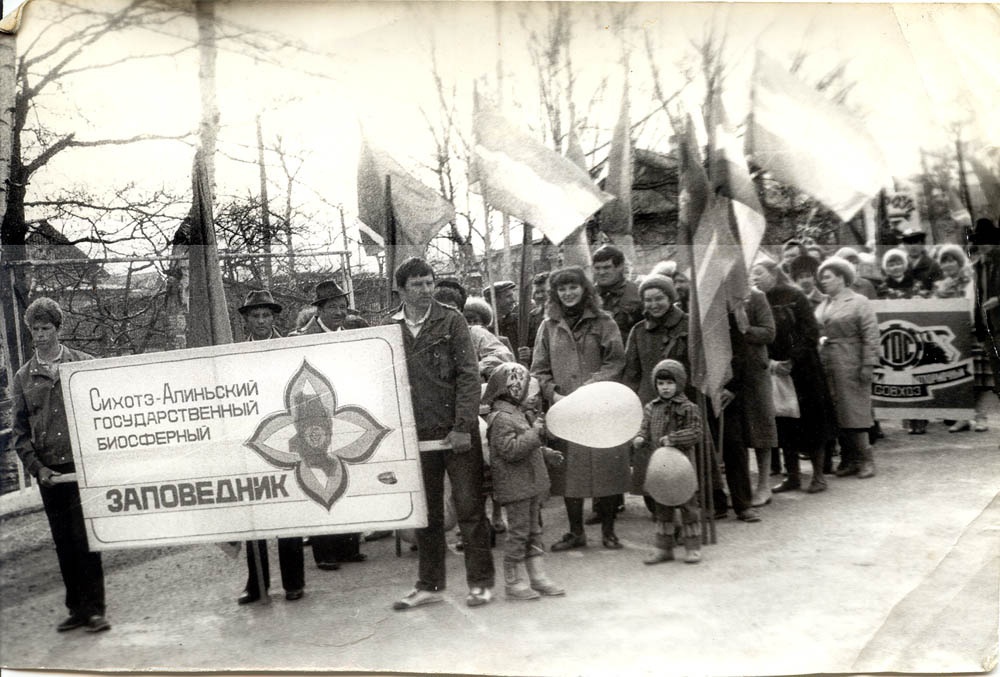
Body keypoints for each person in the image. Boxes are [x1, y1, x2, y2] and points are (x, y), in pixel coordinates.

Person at [390, 258, 496, 610]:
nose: (425, 290)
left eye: (429, 282)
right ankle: (429, 585)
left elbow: (469, 376)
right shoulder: (389, 330)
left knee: (469, 509)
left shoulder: (452, 320)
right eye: (417, 284)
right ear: (401, 289)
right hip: (414, 436)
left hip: (454, 434)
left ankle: (480, 583)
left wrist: (464, 426)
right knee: (426, 514)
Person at [12, 297, 110, 633]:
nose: (39, 335)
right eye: (34, 329)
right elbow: (20, 432)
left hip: (83, 469)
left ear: (58, 329)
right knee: (64, 543)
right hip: (51, 473)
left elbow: (105, 414)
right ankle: (77, 609)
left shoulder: (83, 365)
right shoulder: (24, 377)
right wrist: (38, 469)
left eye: (46, 328)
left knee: (86, 539)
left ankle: (96, 609)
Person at [530, 266, 629, 550]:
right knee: (569, 474)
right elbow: (539, 369)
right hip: (566, 411)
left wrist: (592, 386)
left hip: (601, 408)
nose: (568, 293)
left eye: (573, 287)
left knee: (606, 469)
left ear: (585, 289)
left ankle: (609, 531)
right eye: (562, 289)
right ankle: (576, 533)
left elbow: (616, 361)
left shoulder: (603, 321)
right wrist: (554, 394)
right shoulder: (548, 326)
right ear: (555, 294)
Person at [234, 290, 306, 604]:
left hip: (286, 434)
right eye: (255, 316)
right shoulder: (235, 354)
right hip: (251, 438)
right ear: (246, 320)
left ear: (274, 318)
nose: (262, 321)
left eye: (266, 315)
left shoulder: (289, 347)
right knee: (255, 513)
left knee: (288, 510)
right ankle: (257, 583)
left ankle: (294, 582)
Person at [293, 280, 370, 569]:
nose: (340, 312)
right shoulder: (302, 336)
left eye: (342, 306)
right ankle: (324, 552)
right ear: (319, 309)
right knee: (321, 481)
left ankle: (348, 546)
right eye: (333, 307)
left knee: (347, 475)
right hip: (314, 417)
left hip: (345, 412)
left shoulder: (351, 333)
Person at [750, 261, 836, 494]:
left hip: (804, 368)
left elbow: (810, 331)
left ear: (773, 274)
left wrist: (792, 360)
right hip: (774, 369)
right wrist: (771, 362)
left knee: (812, 421)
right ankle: (793, 476)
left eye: (759, 273)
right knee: (784, 422)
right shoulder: (755, 300)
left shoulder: (795, 296)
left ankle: (818, 476)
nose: (755, 277)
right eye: (752, 274)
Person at [483, 362, 566, 600]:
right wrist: (535, 434)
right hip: (516, 487)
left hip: (528, 485)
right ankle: (514, 581)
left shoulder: (515, 413)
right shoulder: (501, 418)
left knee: (533, 530)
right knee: (519, 533)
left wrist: (546, 453)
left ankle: (537, 577)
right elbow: (510, 450)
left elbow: (525, 446)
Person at [711, 286, 776, 521]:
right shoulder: (715, 294)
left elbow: (770, 332)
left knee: (760, 428)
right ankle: (733, 490)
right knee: (735, 434)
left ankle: (764, 484)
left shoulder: (755, 296)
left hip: (754, 370)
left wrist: (745, 328)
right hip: (731, 372)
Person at [631, 360, 703, 565]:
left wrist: (674, 439)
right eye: (661, 383)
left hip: (683, 468)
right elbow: (644, 429)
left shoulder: (689, 407)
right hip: (659, 468)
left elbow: (696, 432)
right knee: (662, 508)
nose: (665, 387)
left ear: (679, 383)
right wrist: (639, 438)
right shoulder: (651, 408)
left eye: (670, 383)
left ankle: (692, 548)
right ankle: (664, 548)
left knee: (688, 506)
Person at [815, 257, 880, 479]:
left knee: (856, 411)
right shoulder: (824, 304)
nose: (823, 281)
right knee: (837, 412)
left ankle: (866, 460)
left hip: (851, 361)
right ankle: (849, 459)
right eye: (822, 278)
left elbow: (871, 335)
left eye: (828, 277)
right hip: (829, 363)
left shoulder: (859, 301)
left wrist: (868, 364)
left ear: (842, 278)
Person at [592, 244, 643, 342]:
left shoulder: (637, 293)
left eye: (607, 267)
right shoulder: (588, 295)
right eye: (597, 268)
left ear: (620, 267)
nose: (601, 272)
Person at [459, 295, 516, 380]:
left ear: (484, 324)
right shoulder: (458, 341)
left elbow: (506, 360)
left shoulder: (499, 340)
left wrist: (477, 368)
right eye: (467, 321)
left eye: (475, 321)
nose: (471, 325)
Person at [518, 272, 550, 366]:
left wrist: (532, 353)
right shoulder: (532, 317)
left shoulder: (564, 315)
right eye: (537, 292)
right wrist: (527, 353)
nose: (539, 296)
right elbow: (529, 344)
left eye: (544, 291)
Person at [900, 228, 943, 293]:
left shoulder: (933, 265)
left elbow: (938, 290)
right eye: (909, 243)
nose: (913, 247)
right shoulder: (900, 265)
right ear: (904, 245)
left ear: (923, 244)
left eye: (916, 242)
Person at [483, 280, 520, 352]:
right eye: (508, 296)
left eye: (512, 296)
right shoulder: (485, 326)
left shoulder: (517, 321)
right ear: (495, 299)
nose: (513, 300)